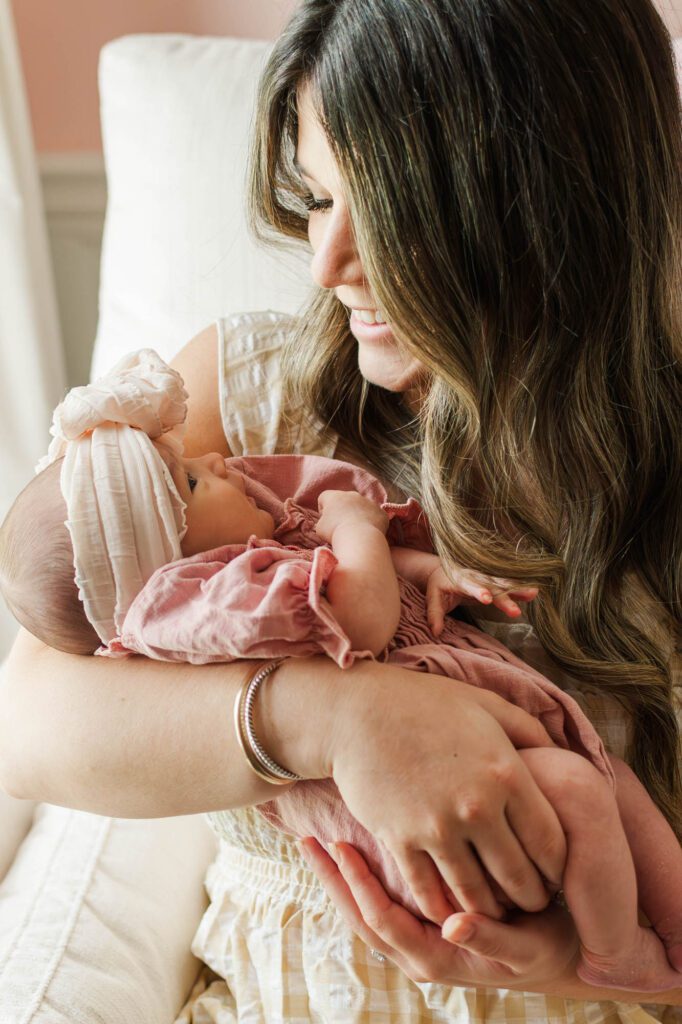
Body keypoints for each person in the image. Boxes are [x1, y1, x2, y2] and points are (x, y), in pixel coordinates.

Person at [0, 0, 680, 1019]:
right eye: (315, 199)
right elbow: (31, 722)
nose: (326, 264)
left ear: (551, 215)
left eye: (391, 216)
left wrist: (569, 961)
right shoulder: (248, 405)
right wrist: (340, 717)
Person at [3, 352, 681, 993]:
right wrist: (355, 529)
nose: (215, 459)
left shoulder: (260, 545)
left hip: (473, 787)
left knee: (607, 783)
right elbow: (362, 616)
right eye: (189, 481)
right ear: (169, 565)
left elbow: (375, 575)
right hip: (415, 837)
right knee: (584, 789)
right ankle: (615, 956)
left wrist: (432, 570)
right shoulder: (229, 596)